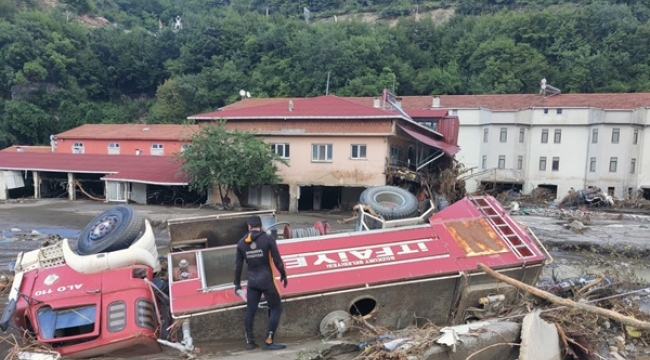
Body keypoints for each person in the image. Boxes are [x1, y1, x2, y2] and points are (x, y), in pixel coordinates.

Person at [234, 215, 288, 351]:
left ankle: (250, 342)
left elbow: (238, 266)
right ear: (261, 226)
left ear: (249, 227)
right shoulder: (268, 239)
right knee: (276, 308)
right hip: (267, 281)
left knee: (250, 310)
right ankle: (268, 341)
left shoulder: (241, 243)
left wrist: (237, 285)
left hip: (252, 282)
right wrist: (283, 275)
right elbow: (278, 261)